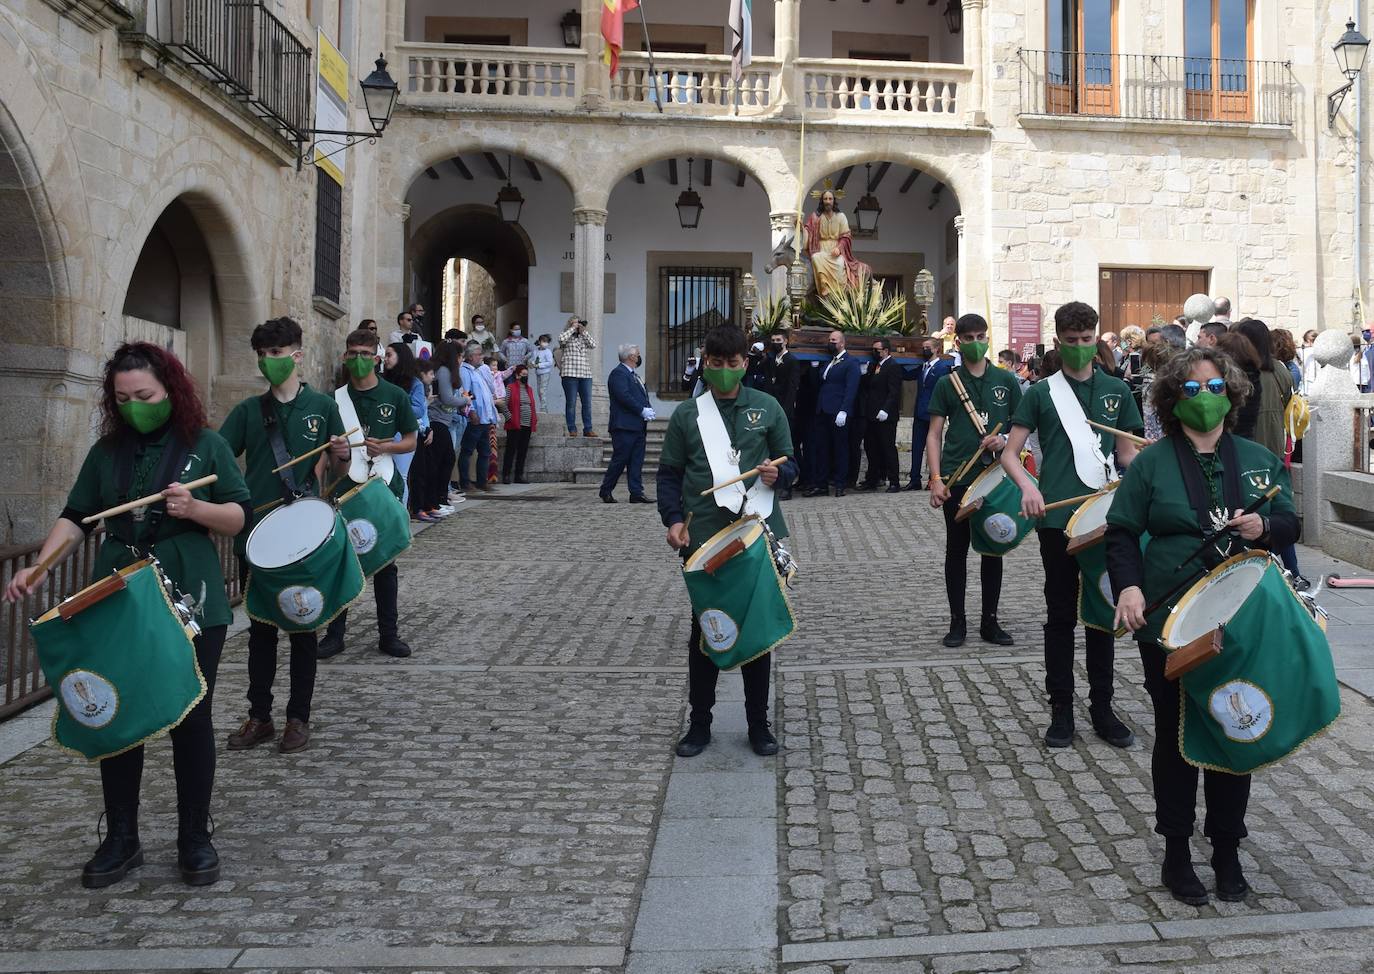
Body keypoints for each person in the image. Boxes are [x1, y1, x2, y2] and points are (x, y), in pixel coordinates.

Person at [5, 342, 251, 888]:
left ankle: (194, 835)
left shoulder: (205, 445)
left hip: (189, 594)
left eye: (144, 395)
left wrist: (195, 508)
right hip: (116, 593)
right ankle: (121, 837)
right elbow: (76, 517)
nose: (134, 406)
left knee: (190, 714)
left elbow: (238, 515)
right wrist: (41, 567)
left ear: (170, 391)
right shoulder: (106, 453)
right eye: (122, 398)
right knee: (116, 711)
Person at [1107, 346, 1297, 907]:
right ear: (1172, 399)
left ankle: (1227, 850)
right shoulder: (1151, 464)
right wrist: (1130, 587)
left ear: (1231, 394)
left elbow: (1290, 522)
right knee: (1175, 733)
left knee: (1234, 724)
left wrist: (1265, 526)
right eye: (1191, 389)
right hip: (1169, 621)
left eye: (1215, 387)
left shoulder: (1259, 459)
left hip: (1241, 618)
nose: (1205, 398)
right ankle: (1175, 851)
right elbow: (1121, 532)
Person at [1002, 301, 1142, 750]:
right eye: (1071, 341)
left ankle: (1103, 708)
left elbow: (1126, 454)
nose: (1080, 347)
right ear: (1058, 341)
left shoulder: (1117, 390)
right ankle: (1061, 708)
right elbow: (1010, 453)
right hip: (1057, 520)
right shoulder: (1041, 393)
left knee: (1102, 613)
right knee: (1060, 615)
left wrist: (1142, 474)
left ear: (1095, 339)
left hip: (1104, 519)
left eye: (1086, 340)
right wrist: (1028, 486)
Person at [657, 324, 797, 758]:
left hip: (755, 533)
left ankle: (758, 724)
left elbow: (792, 465)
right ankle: (700, 724)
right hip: (703, 537)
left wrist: (779, 474)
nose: (723, 370)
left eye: (731, 363)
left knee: (757, 629)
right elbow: (669, 474)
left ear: (745, 363)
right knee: (706, 628)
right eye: (715, 363)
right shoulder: (688, 415)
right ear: (705, 363)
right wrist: (673, 520)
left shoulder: (767, 407)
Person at [220, 317, 350, 756]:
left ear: (296, 355)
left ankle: (299, 717)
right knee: (259, 632)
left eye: (275, 353)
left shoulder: (322, 406)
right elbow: (219, 459)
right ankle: (260, 716)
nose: (267, 362)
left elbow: (340, 471)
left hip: (303, 537)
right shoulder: (247, 412)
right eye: (262, 355)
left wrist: (343, 455)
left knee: (303, 628)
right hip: (257, 535)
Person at [316, 329, 419, 660]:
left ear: (377, 359)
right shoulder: (334, 400)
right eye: (353, 353)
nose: (359, 359)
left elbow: (411, 440)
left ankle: (389, 635)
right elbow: (323, 453)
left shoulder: (394, 395)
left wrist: (386, 447)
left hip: (381, 485)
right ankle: (334, 635)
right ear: (345, 357)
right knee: (341, 561)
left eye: (365, 354)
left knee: (385, 563)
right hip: (344, 487)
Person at [927, 314, 1022, 647]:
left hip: (994, 476)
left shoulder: (1006, 380)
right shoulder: (947, 383)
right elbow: (934, 434)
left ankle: (990, 621)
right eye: (969, 338)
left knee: (992, 547)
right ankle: (957, 622)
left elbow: (1022, 428)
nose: (976, 343)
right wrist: (936, 478)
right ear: (958, 342)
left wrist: (1004, 439)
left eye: (981, 337)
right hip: (957, 475)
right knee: (957, 549)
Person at [806, 330, 861, 498]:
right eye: (829, 340)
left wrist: (844, 410)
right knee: (821, 448)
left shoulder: (851, 362)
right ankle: (821, 484)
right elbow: (821, 384)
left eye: (834, 340)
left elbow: (851, 388)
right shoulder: (829, 362)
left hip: (838, 411)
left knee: (840, 448)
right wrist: (814, 369)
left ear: (842, 343)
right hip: (823, 410)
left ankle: (840, 484)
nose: (830, 343)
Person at [601, 344, 654, 503]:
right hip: (624, 425)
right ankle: (606, 490)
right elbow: (623, 396)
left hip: (637, 425)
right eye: (637, 354)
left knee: (636, 460)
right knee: (620, 459)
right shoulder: (619, 373)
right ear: (631, 357)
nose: (639, 357)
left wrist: (648, 408)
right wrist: (641, 410)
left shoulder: (633, 375)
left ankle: (636, 492)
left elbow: (640, 395)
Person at [906, 337, 954, 490]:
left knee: (934, 445)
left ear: (936, 349)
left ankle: (933, 479)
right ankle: (914, 479)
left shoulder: (942, 368)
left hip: (934, 412)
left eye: (927, 347)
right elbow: (907, 375)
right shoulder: (923, 367)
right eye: (923, 347)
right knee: (917, 446)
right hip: (919, 411)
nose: (924, 350)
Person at [803, 190, 870, 298]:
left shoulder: (841, 216)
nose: (827, 201)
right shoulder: (816, 217)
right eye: (825, 199)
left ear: (834, 201)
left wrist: (839, 248)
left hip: (836, 251)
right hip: (822, 250)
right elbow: (808, 232)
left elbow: (846, 236)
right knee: (816, 257)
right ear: (822, 201)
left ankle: (839, 293)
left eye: (830, 199)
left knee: (839, 264)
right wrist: (800, 228)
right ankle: (825, 288)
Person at [858, 338, 904, 492]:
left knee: (887, 448)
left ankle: (894, 481)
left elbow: (894, 391)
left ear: (885, 351)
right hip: (872, 414)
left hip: (886, 415)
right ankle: (872, 479)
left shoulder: (893, 366)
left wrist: (886, 409)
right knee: (871, 447)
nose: (874, 352)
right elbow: (869, 386)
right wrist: (864, 373)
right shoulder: (875, 366)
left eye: (877, 350)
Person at [431, 340, 470, 500]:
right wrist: (465, 400)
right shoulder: (443, 371)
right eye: (460, 356)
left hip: (445, 418)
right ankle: (439, 496)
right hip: (437, 419)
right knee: (444, 459)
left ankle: (441, 495)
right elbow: (447, 398)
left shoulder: (446, 371)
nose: (462, 360)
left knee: (446, 458)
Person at [457, 341, 497, 493]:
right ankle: (465, 482)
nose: (481, 357)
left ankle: (482, 481)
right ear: (471, 356)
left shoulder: (477, 371)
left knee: (485, 452)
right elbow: (466, 393)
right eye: (478, 354)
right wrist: (471, 412)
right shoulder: (465, 371)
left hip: (484, 419)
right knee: (467, 451)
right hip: (474, 418)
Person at [558, 315, 597, 437]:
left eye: (578, 323)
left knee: (587, 403)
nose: (577, 325)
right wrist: (572, 328)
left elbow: (593, 344)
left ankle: (588, 429)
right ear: (570, 324)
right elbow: (561, 339)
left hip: (585, 374)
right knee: (571, 402)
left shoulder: (583, 336)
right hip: (569, 373)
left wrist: (583, 331)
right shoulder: (566, 335)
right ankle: (572, 429)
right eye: (574, 323)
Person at [502, 361, 537, 484]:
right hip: (514, 424)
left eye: (527, 374)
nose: (525, 377)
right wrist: (509, 417)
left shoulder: (529, 389)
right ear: (517, 375)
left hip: (527, 424)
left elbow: (532, 404)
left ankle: (519, 475)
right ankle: (506, 475)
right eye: (523, 374)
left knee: (523, 451)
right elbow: (503, 404)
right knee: (511, 450)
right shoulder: (510, 387)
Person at [530, 334, 555, 410]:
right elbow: (534, 360)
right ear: (539, 341)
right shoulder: (535, 351)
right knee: (539, 390)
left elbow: (550, 362)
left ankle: (543, 407)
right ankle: (543, 406)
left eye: (547, 342)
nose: (545, 343)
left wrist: (539, 365)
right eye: (544, 341)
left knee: (542, 390)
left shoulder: (548, 352)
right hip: (538, 373)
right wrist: (532, 364)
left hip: (545, 373)